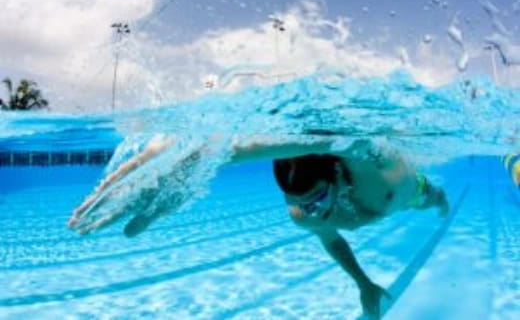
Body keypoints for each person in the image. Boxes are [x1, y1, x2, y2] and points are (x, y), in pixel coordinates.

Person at [68, 134, 449, 319]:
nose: (309, 212)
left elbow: (346, 141)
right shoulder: (303, 214)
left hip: (410, 192)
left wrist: (202, 148)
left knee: (432, 197)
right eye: (297, 203)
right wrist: (364, 285)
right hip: (371, 198)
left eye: (316, 200)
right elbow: (332, 241)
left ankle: (443, 203)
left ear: (335, 175)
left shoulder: (374, 174)